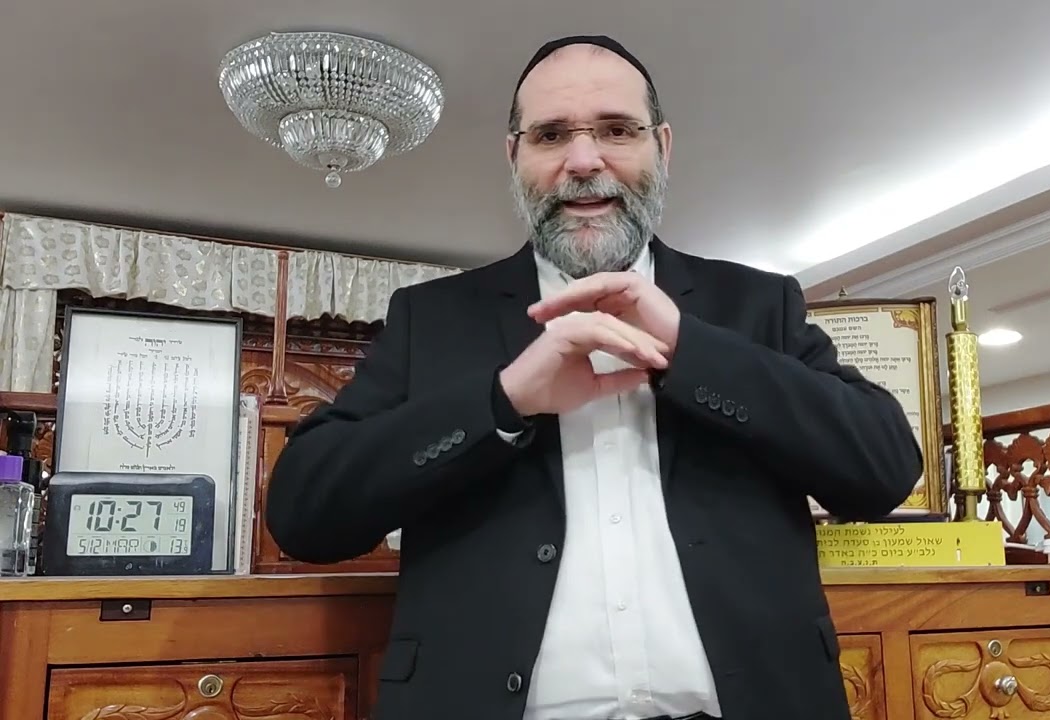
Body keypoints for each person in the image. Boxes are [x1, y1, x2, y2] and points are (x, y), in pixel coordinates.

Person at [266, 34, 923, 720]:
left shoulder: (759, 305)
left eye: (616, 130)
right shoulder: (430, 318)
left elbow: (883, 469)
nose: (583, 162)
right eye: (551, 135)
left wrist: (690, 349)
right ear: (515, 156)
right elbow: (304, 514)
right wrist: (502, 402)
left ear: (661, 147)